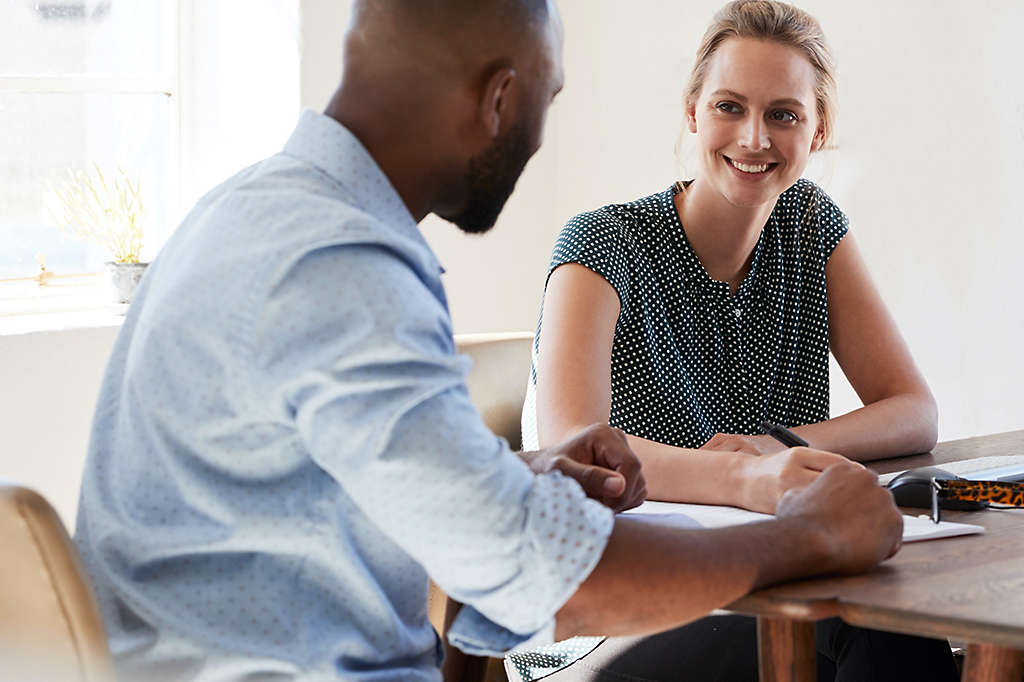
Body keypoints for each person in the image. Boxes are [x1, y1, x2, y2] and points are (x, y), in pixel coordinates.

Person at [73, 1, 903, 681]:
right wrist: (810, 535)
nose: (540, 137)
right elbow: (551, 577)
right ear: (499, 98)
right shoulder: (345, 267)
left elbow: (309, 489)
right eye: (549, 99)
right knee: (868, 642)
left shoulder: (256, 209)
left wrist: (503, 476)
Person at [517, 1, 955, 680]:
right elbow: (569, 444)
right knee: (865, 636)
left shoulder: (811, 224)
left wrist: (783, 448)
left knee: (905, 627)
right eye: (729, 106)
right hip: (599, 616)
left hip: (767, 572)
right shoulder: (601, 244)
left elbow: (914, 410)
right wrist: (748, 477)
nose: (754, 138)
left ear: (818, 130)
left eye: (784, 114)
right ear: (693, 111)